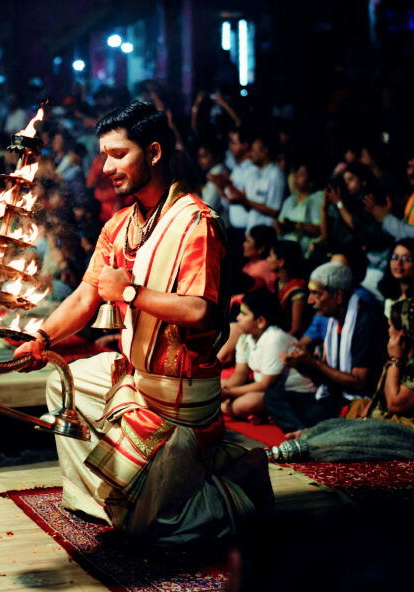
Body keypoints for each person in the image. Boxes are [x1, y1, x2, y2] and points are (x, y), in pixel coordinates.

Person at [14, 101, 269, 546]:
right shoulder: (118, 226)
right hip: (137, 380)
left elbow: (200, 311)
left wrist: (130, 293)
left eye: (117, 154)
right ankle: (102, 500)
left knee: (155, 529)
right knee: (64, 382)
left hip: (181, 402)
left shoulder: (196, 223)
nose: (106, 166)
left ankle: (235, 484)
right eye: (103, 155)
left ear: (153, 152)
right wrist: (41, 337)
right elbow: (86, 295)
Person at [266, 262, 388, 434]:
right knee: (272, 397)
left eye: (316, 294)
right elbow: (323, 378)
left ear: (338, 296)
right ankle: (308, 431)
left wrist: (314, 363)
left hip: (354, 401)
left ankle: (308, 432)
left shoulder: (368, 322)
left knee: (319, 412)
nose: (309, 300)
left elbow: (359, 383)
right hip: (330, 397)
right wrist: (301, 365)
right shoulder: (329, 319)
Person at [224, 290, 316, 422]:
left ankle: (220, 408)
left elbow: (265, 385)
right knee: (217, 384)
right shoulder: (245, 337)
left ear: (260, 321)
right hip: (269, 391)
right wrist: (225, 390)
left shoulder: (274, 338)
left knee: (247, 402)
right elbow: (240, 373)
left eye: (244, 314)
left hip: (294, 395)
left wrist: (228, 394)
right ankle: (260, 414)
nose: (238, 317)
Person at [345, 298, 414, 426]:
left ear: (402, 332)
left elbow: (395, 404)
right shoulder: (406, 351)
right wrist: (364, 417)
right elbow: (380, 393)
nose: (388, 331)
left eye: (390, 326)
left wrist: (395, 360)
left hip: (399, 429)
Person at [275, 161, 323, 252]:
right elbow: (281, 223)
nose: (296, 178)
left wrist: (295, 226)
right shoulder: (290, 200)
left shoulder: (316, 200)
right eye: (296, 174)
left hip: (303, 248)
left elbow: (319, 229)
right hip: (284, 246)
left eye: (301, 175)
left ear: (311, 181)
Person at [266, 240, 311, 337]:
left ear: (280, 262)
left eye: (270, 256)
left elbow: (296, 329)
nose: (267, 259)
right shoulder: (277, 283)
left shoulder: (298, 291)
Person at [241, 225, 277, 290]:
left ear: (261, 248)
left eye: (248, 241)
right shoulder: (250, 264)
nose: (244, 244)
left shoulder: (266, 266)